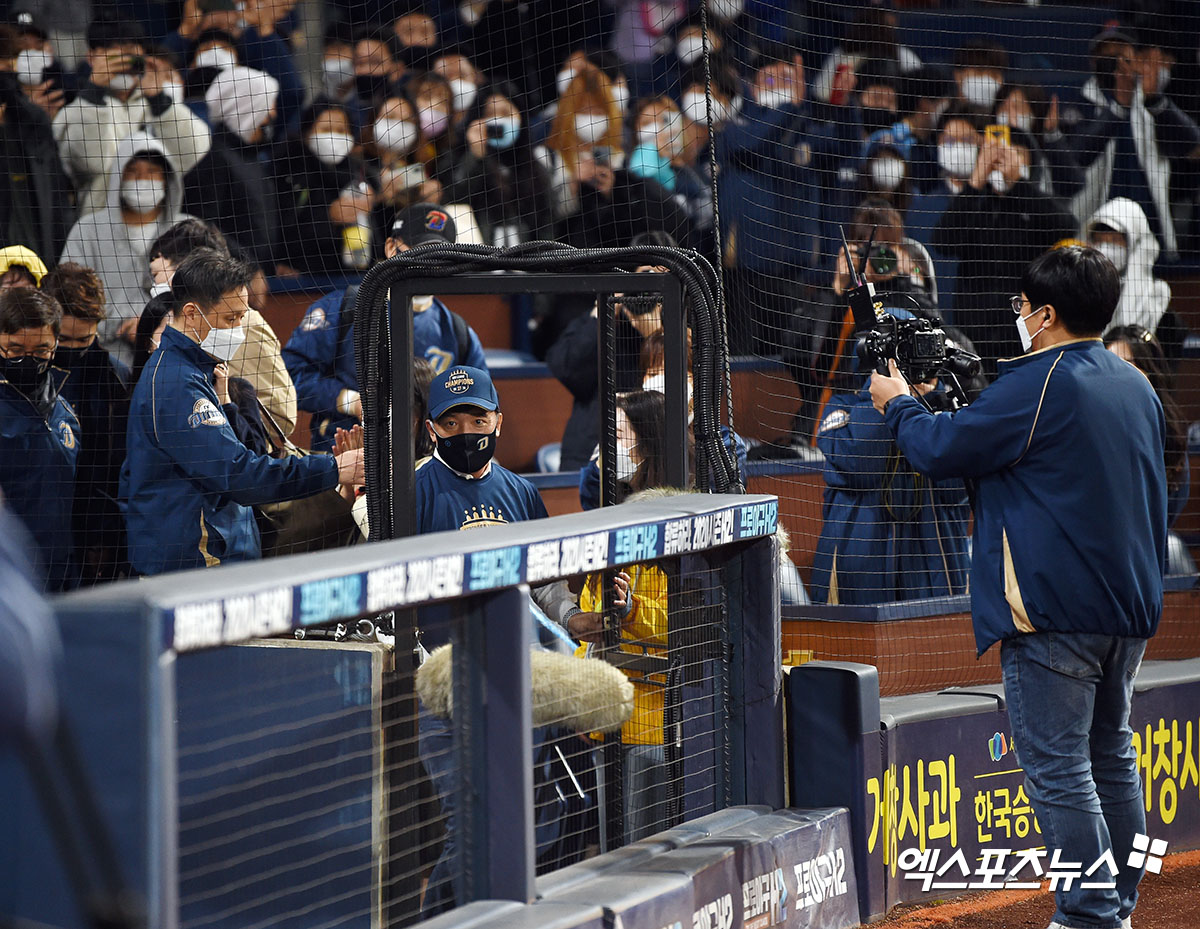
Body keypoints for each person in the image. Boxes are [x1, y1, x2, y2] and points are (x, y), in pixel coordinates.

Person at [869, 246, 1166, 929]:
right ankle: (1113, 907)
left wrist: (897, 407)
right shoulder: (1133, 382)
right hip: (1128, 608)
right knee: (1110, 755)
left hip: (1057, 611)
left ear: (1049, 313)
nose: (1019, 318)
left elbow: (941, 451)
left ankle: (1090, 913)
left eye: (1024, 308)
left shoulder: (1044, 378)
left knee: (1061, 768)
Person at [121, 248, 363, 575]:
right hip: (196, 568)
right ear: (191, 313)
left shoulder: (198, 371)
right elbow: (240, 475)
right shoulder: (177, 385)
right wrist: (332, 469)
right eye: (230, 319)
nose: (238, 329)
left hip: (217, 557)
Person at [282, 203, 487, 452]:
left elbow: (481, 405)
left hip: (427, 462)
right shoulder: (343, 308)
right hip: (344, 456)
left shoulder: (457, 331)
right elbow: (289, 377)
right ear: (391, 247)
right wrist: (350, 401)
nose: (432, 265)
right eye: (422, 252)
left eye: (442, 256)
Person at [811, 360, 970, 605]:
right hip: (861, 567)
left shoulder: (949, 412)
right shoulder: (843, 407)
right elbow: (860, 466)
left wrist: (920, 403)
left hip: (933, 561)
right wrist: (890, 401)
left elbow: (956, 488)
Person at [933, 128, 1076, 372]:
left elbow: (1067, 226)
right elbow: (943, 241)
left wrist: (1019, 184)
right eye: (995, 157)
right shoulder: (974, 204)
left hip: (1023, 334)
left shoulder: (1035, 204)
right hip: (972, 337)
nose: (1002, 163)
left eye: (1014, 156)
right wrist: (975, 183)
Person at [147, 219, 298, 434]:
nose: (154, 285)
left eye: (156, 275)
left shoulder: (246, 325)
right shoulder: (164, 324)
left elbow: (281, 417)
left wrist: (227, 429)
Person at [52, 15, 210, 216]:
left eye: (133, 56)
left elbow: (195, 154)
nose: (125, 65)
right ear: (92, 58)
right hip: (98, 229)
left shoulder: (157, 106)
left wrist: (160, 101)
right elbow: (91, 163)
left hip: (157, 227)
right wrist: (93, 93)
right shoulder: (74, 111)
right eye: (117, 56)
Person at [60, 132, 194, 368]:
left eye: (152, 173)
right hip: (100, 362)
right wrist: (120, 324)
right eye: (133, 172)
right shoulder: (88, 230)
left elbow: (208, 298)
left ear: (167, 180)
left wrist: (158, 325)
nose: (142, 180)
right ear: (118, 179)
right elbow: (66, 297)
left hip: (176, 359)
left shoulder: (188, 231)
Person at [42, 263, 129, 583]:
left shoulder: (116, 378)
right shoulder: (20, 376)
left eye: (85, 341)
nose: (74, 351)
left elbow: (119, 466)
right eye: (63, 341)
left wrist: (107, 535)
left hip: (96, 530)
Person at [0, 287, 80, 591]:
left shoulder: (64, 403)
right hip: (8, 568)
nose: (28, 360)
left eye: (41, 351)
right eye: (15, 350)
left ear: (56, 344)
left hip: (60, 565)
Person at [182, 65, 281, 271]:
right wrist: (249, 268)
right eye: (268, 105)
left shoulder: (252, 157)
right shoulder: (214, 158)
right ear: (246, 108)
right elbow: (203, 227)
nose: (273, 113)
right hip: (229, 280)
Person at [1085, 197, 1181, 362]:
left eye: (1115, 240)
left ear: (1135, 243)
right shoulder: (1079, 295)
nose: (1106, 249)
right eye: (1100, 241)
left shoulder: (1159, 305)